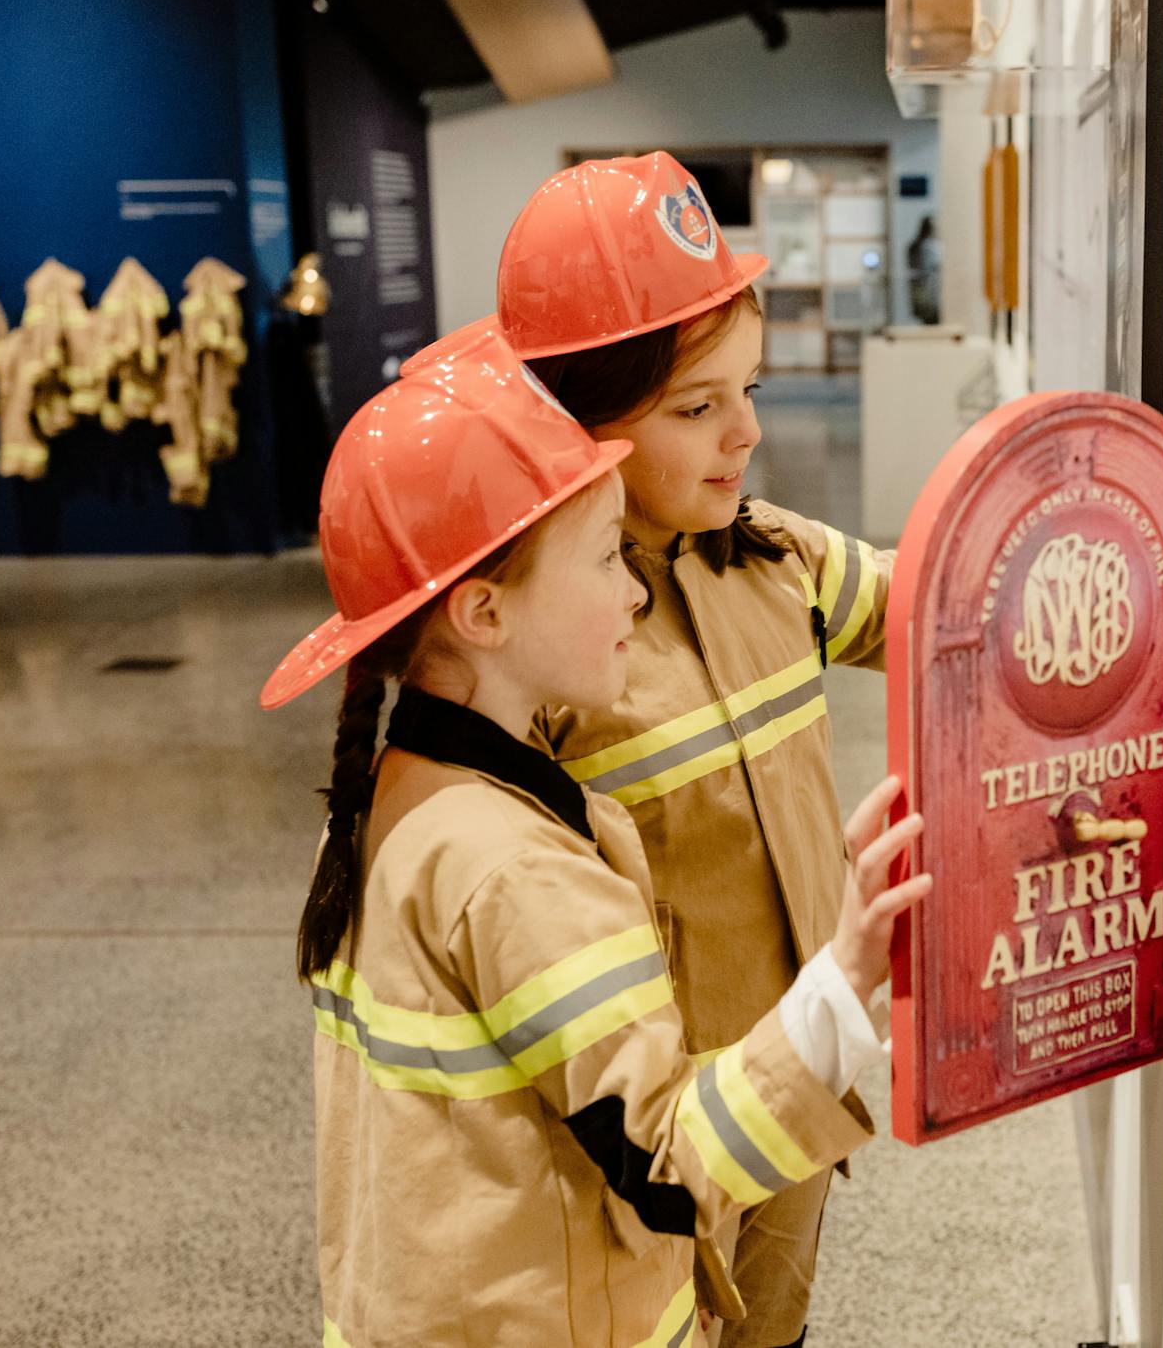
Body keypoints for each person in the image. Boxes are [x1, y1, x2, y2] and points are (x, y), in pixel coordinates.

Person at [259, 323, 930, 1348]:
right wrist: (847, 973)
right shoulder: (520, 871)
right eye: (606, 556)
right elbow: (668, 1162)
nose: (632, 590)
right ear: (483, 612)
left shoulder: (393, 809)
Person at [488, 152, 897, 1348]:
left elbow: (945, 605)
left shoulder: (779, 563)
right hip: (642, 1140)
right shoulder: (554, 648)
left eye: (749, 390)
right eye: (697, 407)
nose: (748, 434)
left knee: (775, 1329)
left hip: (801, 1075)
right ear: (583, 424)